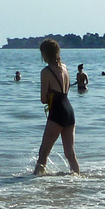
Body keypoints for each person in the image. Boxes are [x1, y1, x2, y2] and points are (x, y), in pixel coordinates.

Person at [34, 38, 79, 175]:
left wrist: (49, 96)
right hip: (69, 110)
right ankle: (77, 177)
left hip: (57, 111)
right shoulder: (64, 67)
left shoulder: (46, 71)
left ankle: (35, 181)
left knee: (44, 152)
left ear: (45, 54)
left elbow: (43, 99)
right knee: (70, 153)